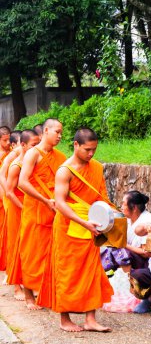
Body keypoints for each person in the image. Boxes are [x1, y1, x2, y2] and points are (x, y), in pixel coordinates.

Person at [38, 127, 113, 332]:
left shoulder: (96, 167)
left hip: (92, 224)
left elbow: (101, 197)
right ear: (76, 145)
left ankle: (90, 319)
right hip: (68, 226)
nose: (91, 154)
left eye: (94, 150)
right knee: (67, 272)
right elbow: (60, 204)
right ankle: (65, 319)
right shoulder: (65, 170)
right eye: (87, 149)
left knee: (91, 271)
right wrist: (83, 222)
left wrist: (110, 218)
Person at [18, 118, 66, 310]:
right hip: (35, 208)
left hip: (54, 211)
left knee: (51, 254)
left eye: (62, 133)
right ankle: (29, 295)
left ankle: (47, 291)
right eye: (57, 132)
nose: (60, 136)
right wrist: (45, 200)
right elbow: (23, 182)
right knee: (31, 252)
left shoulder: (61, 157)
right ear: (46, 130)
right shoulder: (32, 154)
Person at [6, 130, 40, 300]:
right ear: (22, 145)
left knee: (32, 248)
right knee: (17, 246)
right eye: (34, 145)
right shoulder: (15, 165)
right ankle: (17, 287)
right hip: (18, 207)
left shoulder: (36, 163)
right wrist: (23, 207)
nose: (37, 149)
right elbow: (9, 192)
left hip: (32, 208)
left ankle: (32, 284)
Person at [101, 190, 151, 274]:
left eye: (123, 204)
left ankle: (128, 279)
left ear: (134, 207)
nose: (121, 207)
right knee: (107, 249)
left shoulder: (147, 221)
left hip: (145, 263)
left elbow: (146, 253)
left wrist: (124, 244)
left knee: (121, 252)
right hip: (130, 257)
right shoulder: (128, 220)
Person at [0, 126, 11, 271]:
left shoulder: (11, 155)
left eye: (9, 139)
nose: (8, 142)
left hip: (9, 194)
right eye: (5, 140)